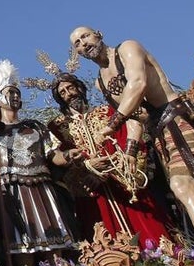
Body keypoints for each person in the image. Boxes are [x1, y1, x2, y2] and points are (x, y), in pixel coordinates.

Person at [69, 27, 194, 242]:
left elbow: (137, 85)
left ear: (98, 34)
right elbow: (135, 115)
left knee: (183, 186)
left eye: (85, 36)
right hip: (157, 133)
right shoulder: (100, 81)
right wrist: (130, 151)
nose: (83, 43)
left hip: (176, 120)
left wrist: (110, 125)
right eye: (77, 43)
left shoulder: (128, 48)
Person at [0, 60, 78, 266]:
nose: (15, 96)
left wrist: (68, 156)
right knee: (22, 249)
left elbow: (52, 154)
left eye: (17, 92)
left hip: (42, 189)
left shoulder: (35, 127)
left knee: (54, 246)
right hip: (12, 194)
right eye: (10, 92)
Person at [47, 73, 172, 248]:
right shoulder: (57, 127)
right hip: (92, 194)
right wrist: (89, 169)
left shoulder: (109, 112)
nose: (68, 94)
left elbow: (129, 142)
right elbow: (58, 161)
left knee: (150, 235)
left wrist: (109, 169)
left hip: (123, 185)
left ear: (80, 88)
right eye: (62, 92)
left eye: (70, 88)